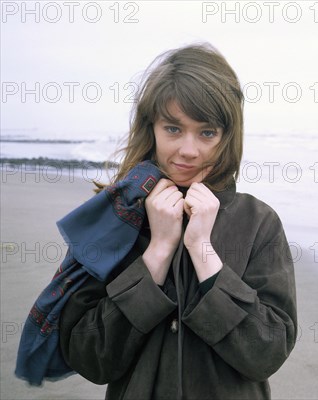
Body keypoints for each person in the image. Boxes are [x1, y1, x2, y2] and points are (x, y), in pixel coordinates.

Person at [58, 43, 298, 399]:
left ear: (227, 136)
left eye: (207, 133)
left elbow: (266, 354)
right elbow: (89, 357)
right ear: (151, 127)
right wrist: (157, 253)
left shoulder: (258, 222)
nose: (189, 150)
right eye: (173, 128)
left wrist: (203, 253)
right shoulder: (113, 217)